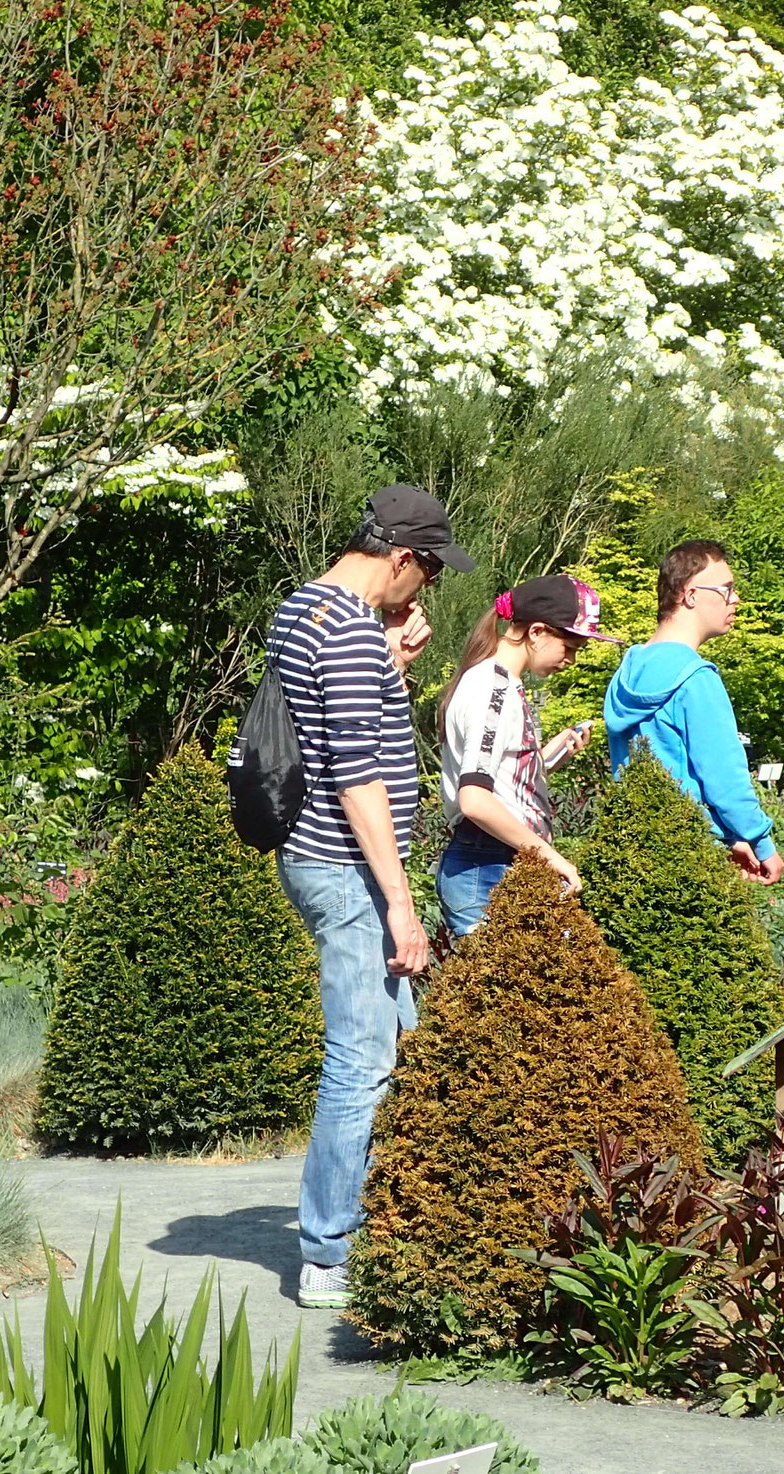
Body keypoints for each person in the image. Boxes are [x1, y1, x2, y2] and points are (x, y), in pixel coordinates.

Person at [267, 484, 473, 1310]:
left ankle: (385, 1220)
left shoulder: (304, 610)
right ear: (400, 560)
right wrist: (400, 903)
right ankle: (329, 1253)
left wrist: (395, 659)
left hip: (316, 857)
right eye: (427, 574)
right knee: (363, 1059)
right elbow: (356, 778)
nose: (424, 591)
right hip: (351, 870)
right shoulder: (350, 631)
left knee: (400, 1044)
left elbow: (326, 726)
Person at [435, 574, 621, 938]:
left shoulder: (499, 684)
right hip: (487, 866)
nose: (571, 659)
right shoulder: (493, 689)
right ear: (537, 632)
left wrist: (548, 757)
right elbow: (473, 799)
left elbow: (499, 779)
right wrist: (550, 856)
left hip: (495, 861)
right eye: (569, 645)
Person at [603, 540, 784, 885]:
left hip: (631, 848)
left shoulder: (627, 671)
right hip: (690, 857)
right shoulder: (695, 679)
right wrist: (761, 842)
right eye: (727, 589)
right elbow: (724, 777)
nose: (736, 600)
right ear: (690, 595)